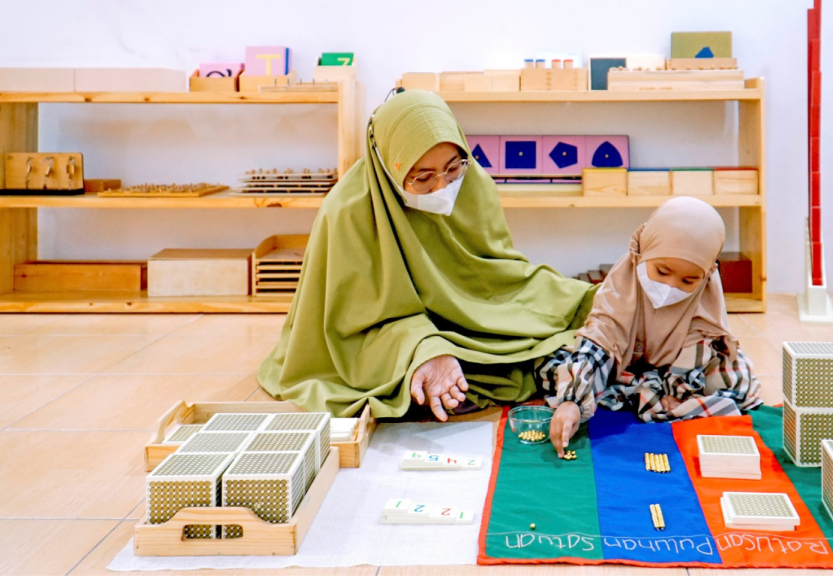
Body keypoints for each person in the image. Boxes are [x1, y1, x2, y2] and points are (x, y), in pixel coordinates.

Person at [257, 90, 596, 421]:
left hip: (475, 315)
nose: (442, 188)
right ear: (388, 167)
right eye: (422, 178)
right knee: (472, 377)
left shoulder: (473, 183)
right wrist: (424, 348)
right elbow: (352, 328)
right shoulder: (346, 214)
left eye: (452, 168)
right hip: (393, 333)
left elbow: (499, 278)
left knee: (586, 307)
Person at [537, 197, 762, 456]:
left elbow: (701, 349)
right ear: (642, 252)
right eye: (662, 272)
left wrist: (680, 390)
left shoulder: (704, 303)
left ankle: (658, 393)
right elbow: (600, 340)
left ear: (706, 276)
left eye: (688, 280)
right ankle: (652, 394)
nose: (671, 287)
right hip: (622, 365)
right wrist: (572, 402)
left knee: (737, 379)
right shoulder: (621, 289)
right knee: (558, 366)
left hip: (676, 370)